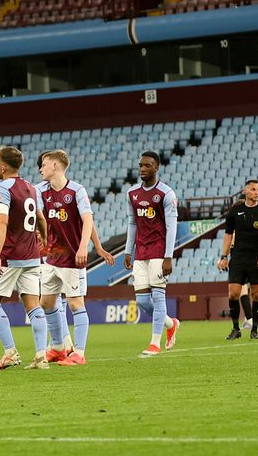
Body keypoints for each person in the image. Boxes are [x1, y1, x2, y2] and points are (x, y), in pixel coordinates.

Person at [36, 149, 112, 367]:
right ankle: (59, 347)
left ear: (56, 166)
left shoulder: (77, 190)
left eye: (44, 164)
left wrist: (84, 248)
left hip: (72, 257)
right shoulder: (41, 191)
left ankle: (79, 352)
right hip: (51, 258)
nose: (41, 168)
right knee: (47, 302)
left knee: (75, 303)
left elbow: (87, 220)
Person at [0, 145, 50, 370]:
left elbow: (2, 221)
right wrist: (44, 239)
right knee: (33, 305)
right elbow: (41, 218)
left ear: (3, 166)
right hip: (32, 256)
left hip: (11, 256)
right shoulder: (31, 188)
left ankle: (10, 352)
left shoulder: (2, 189)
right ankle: (41, 356)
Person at [123, 151, 180, 358]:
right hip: (140, 252)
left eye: (147, 166)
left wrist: (168, 256)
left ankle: (154, 343)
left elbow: (171, 226)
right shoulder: (132, 194)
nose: (142, 169)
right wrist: (128, 251)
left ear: (156, 167)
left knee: (157, 296)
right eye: (141, 165)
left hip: (158, 251)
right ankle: (170, 323)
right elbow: (132, 223)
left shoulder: (166, 194)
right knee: (142, 302)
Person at [217, 179, 258, 340]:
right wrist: (224, 256)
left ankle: (254, 330)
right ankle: (236, 329)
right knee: (233, 294)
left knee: (257, 295)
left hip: (256, 259)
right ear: (245, 191)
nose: (257, 192)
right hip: (238, 259)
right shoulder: (235, 211)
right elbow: (228, 235)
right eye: (254, 189)